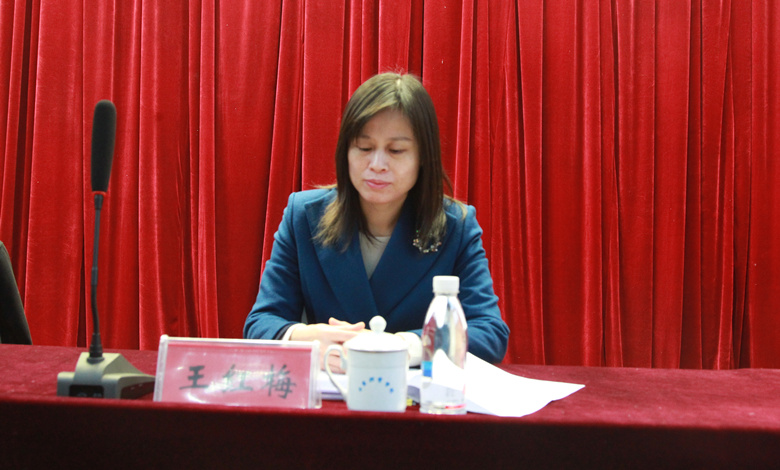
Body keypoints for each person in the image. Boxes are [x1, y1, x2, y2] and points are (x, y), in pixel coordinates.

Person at [243, 72, 509, 371]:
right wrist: (306, 340)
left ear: (424, 157)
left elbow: (489, 332)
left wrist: (405, 347)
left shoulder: (455, 226)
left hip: (412, 394)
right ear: (346, 150)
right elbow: (261, 323)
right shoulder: (304, 215)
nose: (377, 165)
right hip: (333, 389)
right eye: (364, 148)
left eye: (396, 150)